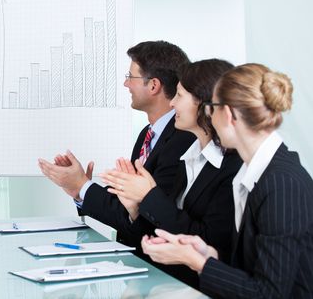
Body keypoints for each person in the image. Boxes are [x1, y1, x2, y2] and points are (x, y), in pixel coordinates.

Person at [141, 64, 313, 298]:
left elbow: (269, 293)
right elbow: (252, 267)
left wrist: (198, 263)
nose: (208, 115)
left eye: (212, 107)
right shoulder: (254, 173)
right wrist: (206, 254)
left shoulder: (280, 183)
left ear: (229, 114)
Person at [100, 59, 242, 288]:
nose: (172, 103)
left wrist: (149, 196)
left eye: (180, 96)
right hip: (168, 283)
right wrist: (135, 208)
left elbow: (207, 243)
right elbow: (163, 233)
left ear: (204, 103)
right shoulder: (191, 156)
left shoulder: (232, 168)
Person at [38, 41, 195, 245]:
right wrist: (79, 190)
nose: (125, 84)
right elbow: (128, 210)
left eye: (130, 77)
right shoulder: (147, 135)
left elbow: (149, 216)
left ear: (154, 85)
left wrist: (82, 186)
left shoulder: (182, 139)